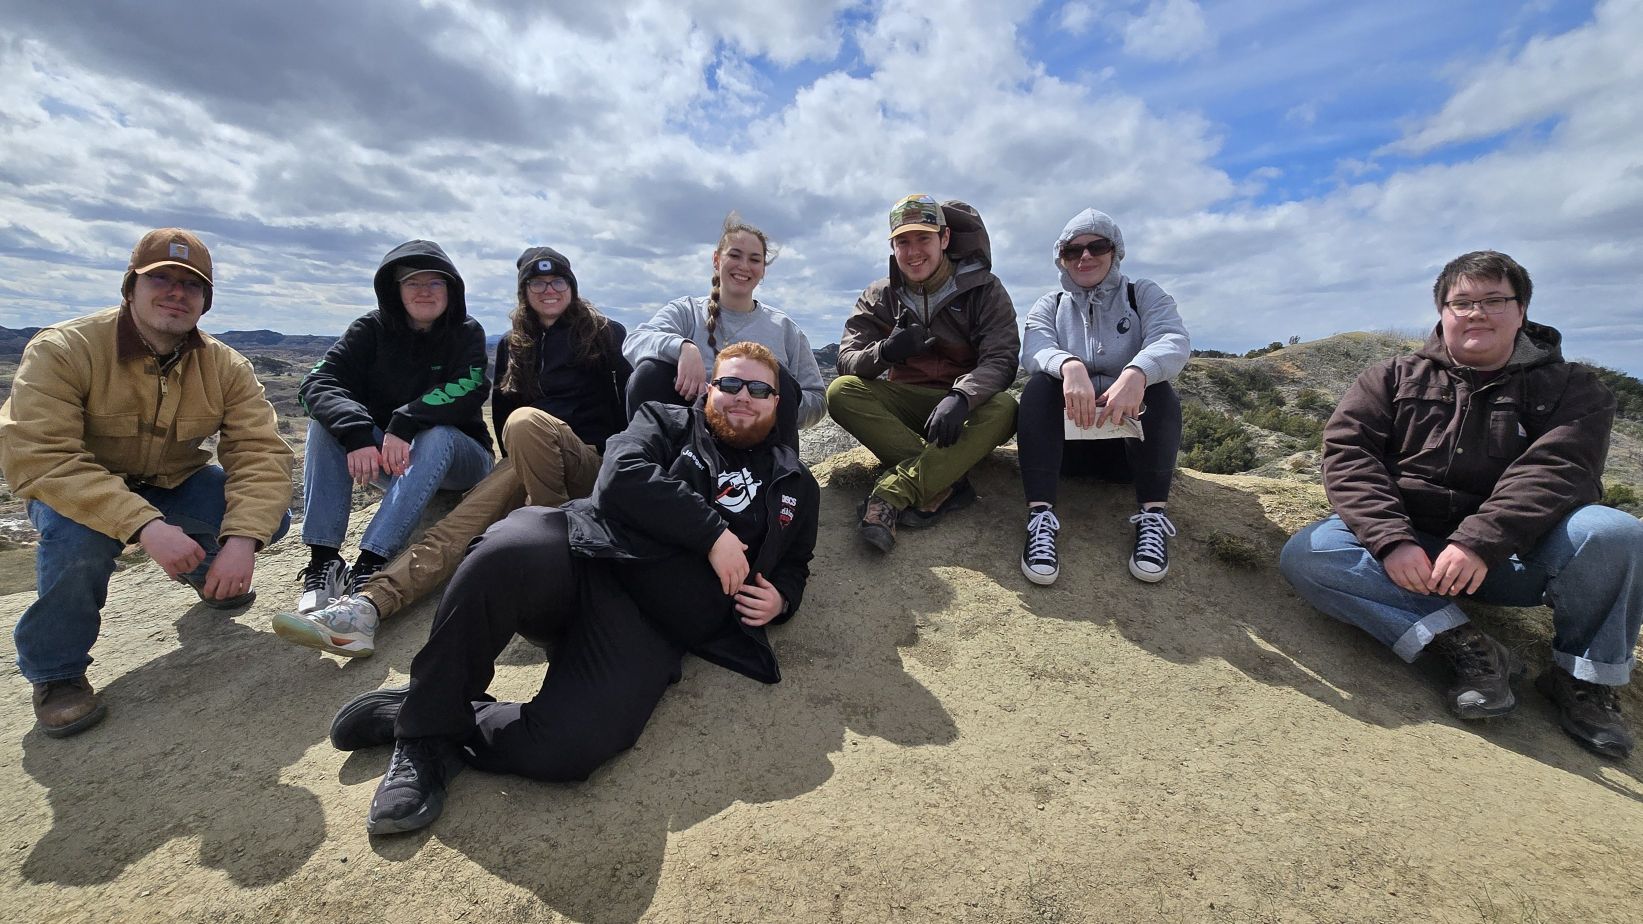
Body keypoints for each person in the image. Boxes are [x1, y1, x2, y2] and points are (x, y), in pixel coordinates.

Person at [328, 342, 819, 835]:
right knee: (506, 549)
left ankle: (433, 706)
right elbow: (619, 475)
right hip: (586, 554)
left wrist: (782, 599)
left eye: (759, 389)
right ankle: (424, 735)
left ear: (778, 403)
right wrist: (710, 532)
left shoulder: (796, 482)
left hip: (650, 624)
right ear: (709, 390)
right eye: (730, 383)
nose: (742, 396)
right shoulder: (665, 421)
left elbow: (796, 562)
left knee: (569, 748)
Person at [1280, 250, 1642, 759]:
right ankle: (1468, 647)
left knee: (1614, 533)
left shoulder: (1573, 388)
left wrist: (1479, 542)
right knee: (1310, 552)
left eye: (1494, 300)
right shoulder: (1390, 377)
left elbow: (1556, 471)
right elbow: (1349, 455)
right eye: (1462, 302)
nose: (1476, 312)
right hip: (1415, 557)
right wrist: (1392, 541)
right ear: (1442, 312)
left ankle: (1581, 680)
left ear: (1522, 311)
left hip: (1519, 559)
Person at [0, 228, 293, 738]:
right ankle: (58, 674)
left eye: (191, 285)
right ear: (130, 288)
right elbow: (42, 457)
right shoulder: (65, 349)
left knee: (267, 517)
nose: (176, 293)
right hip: (79, 491)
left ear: (206, 302)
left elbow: (260, 454)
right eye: (160, 278)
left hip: (171, 481)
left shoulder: (225, 366)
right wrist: (146, 527)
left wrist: (241, 542)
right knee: (78, 544)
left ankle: (205, 571)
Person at [273, 246, 629, 658]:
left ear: (571, 285)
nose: (548, 289)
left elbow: (627, 405)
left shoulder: (605, 332)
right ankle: (367, 606)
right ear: (523, 292)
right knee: (456, 527)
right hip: (526, 459)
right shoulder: (517, 343)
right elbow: (504, 409)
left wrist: (620, 472)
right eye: (536, 283)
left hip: (590, 461)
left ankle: (556, 547)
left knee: (524, 423)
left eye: (557, 281)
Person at [292, 240, 494, 616]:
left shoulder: (466, 331)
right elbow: (316, 383)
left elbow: (470, 388)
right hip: (398, 463)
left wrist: (405, 421)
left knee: (437, 434)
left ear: (451, 289)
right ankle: (325, 560)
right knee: (326, 426)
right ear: (394, 290)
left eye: (436, 283)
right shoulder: (370, 330)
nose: (425, 291)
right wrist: (355, 432)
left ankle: (371, 562)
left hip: (463, 463)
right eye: (413, 282)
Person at [827, 194, 1019, 553]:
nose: (913, 252)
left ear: (944, 239)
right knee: (841, 391)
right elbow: (847, 360)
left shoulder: (985, 290)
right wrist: (885, 351)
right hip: (907, 406)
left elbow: (1002, 358)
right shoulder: (880, 294)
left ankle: (897, 491)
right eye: (903, 241)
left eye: (923, 238)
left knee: (1006, 408)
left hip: (959, 414)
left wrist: (962, 395)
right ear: (893, 246)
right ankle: (946, 479)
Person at [1018, 209, 1189, 586]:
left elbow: (1172, 340)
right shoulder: (1051, 305)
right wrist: (1069, 366)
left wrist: (1138, 371)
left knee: (1159, 390)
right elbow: (1034, 347)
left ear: (1116, 251)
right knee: (1038, 387)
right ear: (1060, 258)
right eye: (1072, 250)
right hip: (1066, 451)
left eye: (1097, 246)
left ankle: (1152, 515)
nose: (1085, 257)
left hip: (1128, 455)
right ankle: (1040, 516)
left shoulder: (1142, 294)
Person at [622, 211, 827, 446]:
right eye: (735, 255)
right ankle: (653, 466)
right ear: (717, 260)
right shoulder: (687, 312)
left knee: (778, 373)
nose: (744, 266)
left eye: (754, 259)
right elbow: (634, 341)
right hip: (688, 440)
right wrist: (682, 347)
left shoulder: (785, 329)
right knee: (649, 373)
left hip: (758, 444)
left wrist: (767, 400)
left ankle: (778, 480)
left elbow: (817, 399)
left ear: (763, 270)